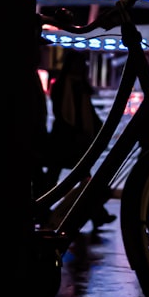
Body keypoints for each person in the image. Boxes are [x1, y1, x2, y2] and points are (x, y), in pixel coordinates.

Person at [47, 50, 113, 229]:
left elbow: (85, 114)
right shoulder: (67, 86)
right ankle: (97, 214)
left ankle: (98, 214)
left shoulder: (73, 86)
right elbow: (67, 114)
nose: (81, 66)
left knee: (69, 178)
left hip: (70, 141)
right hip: (65, 140)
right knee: (81, 179)